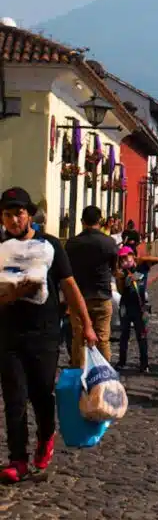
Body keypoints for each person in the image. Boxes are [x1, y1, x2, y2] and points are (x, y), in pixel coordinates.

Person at [0, 186, 97, 484]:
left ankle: (45, 437)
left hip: (43, 334)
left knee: (41, 394)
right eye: (7, 214)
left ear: (29, 214)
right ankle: (18, 459)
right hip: (8, 335)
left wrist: (87, 325)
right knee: (14, 398)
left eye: (18, 213)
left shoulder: (50, 245)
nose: (13, 219)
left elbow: (70, 287)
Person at [65, 205, 118, 366]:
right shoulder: (109, 242)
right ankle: (104, 374)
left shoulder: (72, 243)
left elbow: (66, 271)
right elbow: (114, 269)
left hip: (78, 297)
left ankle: (79, 374)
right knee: (103, 338)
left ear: (82, 221)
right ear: (100, 221)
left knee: (79, 338)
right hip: (102, 295)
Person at [115, 245, 158, 373]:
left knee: (141, 335)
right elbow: (120, 291)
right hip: (126, 305)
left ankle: (144, 363)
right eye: (122, 258)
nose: (124, 260)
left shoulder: (142, 267)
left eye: (126, 257)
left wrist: (140, 259)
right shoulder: (122, 272)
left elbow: (157, 260)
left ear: (132, 256)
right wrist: (120, 279)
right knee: (124, 335)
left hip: (139, 306)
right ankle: (122, 361)